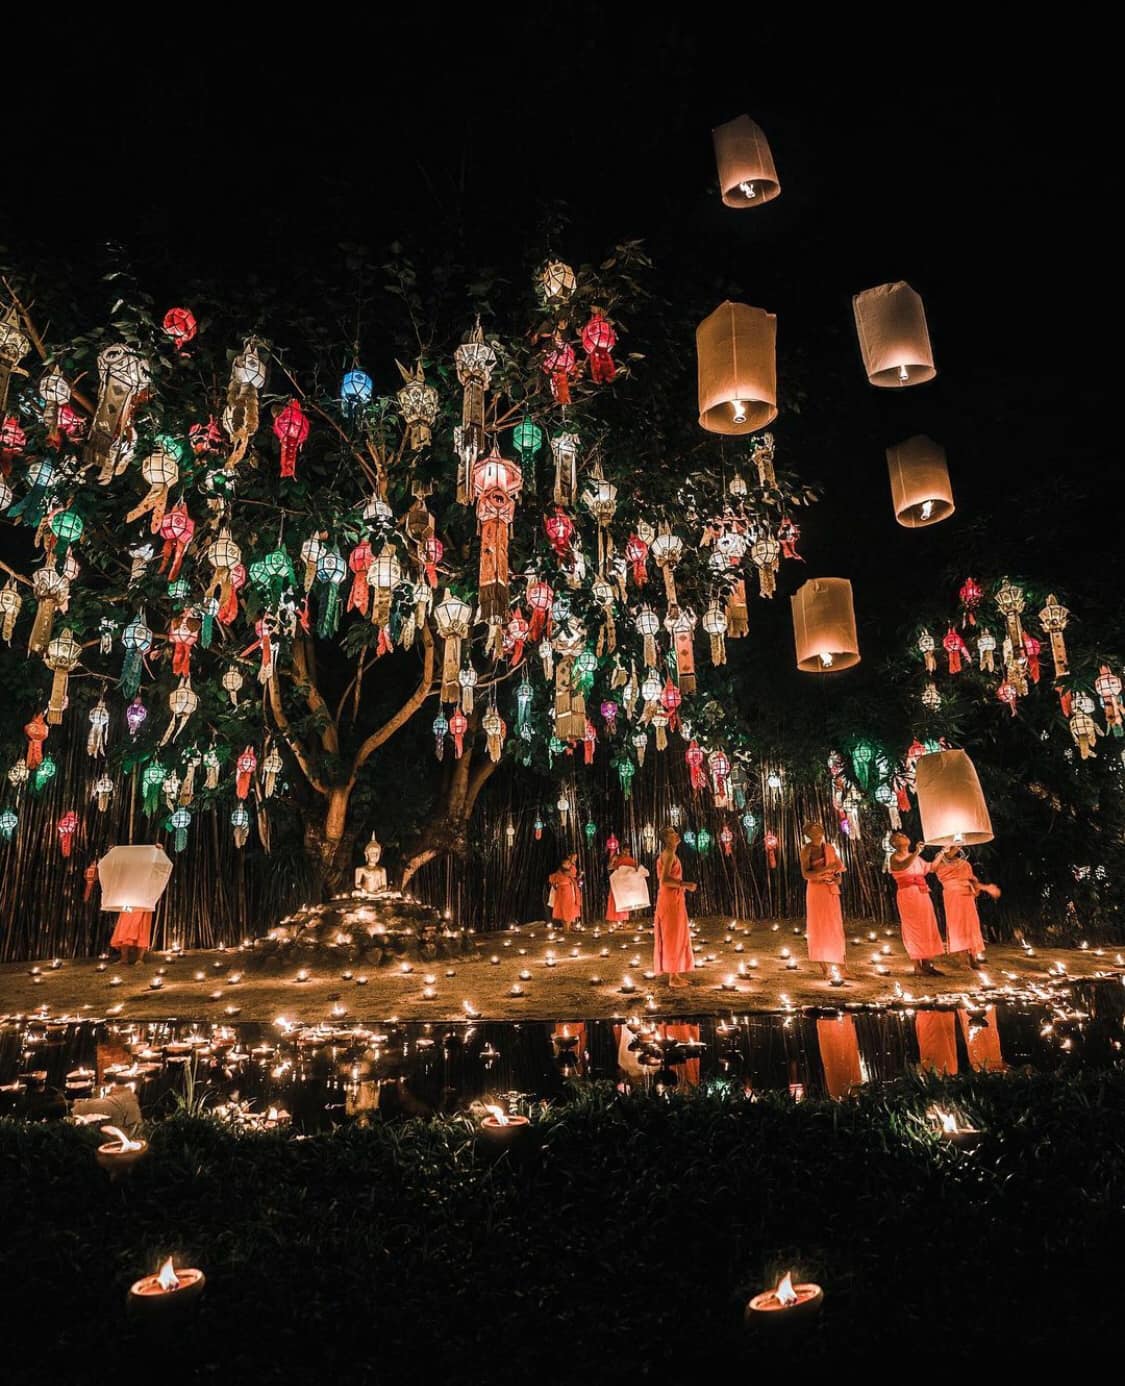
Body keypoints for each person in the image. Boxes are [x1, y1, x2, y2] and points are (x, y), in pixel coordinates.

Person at [887, 832, 945, 976]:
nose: (904, 836)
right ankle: (917, 966)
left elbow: (932, 868)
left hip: (922, 893)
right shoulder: (894, 857)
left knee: (926, 925)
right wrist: (917, 852)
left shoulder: (916, 857)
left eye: (904, 834)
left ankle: (927, 963)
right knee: (913, 927)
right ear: (894, 843)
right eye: (899, 836)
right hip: (908, 895)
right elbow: (902, 866)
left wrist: (942, 853)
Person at [801, 822, 846, 977]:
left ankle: (842, 967)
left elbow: (838, 869)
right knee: (818, 925)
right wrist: (825, 870)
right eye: (813, 827)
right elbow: (806, 874)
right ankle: (824, 967)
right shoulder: (807, 850)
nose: (817, 828)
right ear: (808, 833)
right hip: (816, 890)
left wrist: (837, 878)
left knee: (835, 925)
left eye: (818, 826)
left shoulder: (829, 848)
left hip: (830, 889)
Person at [934, 846, 990, 968]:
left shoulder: (964, 863)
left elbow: (972, 879)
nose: (957, 848)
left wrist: (984, 888)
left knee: (971, 924)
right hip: (953, 895)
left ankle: (973, 957)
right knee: (957, 925)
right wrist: (949, 848)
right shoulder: (939, 860)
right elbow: (934, 868)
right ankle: (963, 959)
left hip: (967, 896)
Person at [653, 828, 695, 988]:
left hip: (673, 898)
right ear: (666, 839)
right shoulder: (669, 855)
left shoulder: (670, 854)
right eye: (672, 833)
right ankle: (672, 977)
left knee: (676, 934)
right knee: (672, 935)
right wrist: (686, 884)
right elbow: (664, 880)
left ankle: (675, 974)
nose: (676, 834)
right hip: (670, 899)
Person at [548, 853, 582, 933]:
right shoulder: (560, 872)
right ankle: (566, 928)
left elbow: (573, 873)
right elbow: (552, 879)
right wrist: (555, 885)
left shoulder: (569, 871)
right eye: (567, 864)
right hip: (562, 893)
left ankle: (567, 927)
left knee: (568, 909)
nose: (568, 865)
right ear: (562, 864)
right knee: (564, 910)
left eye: (569, 864)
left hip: (569, 892)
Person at [605, 844, 638, 926]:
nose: (626, 853)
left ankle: (623, 920)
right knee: (614, 900)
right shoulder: (617, 858)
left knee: (624, 901)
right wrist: (612, 861)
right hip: (617, 882)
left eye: (628, 851)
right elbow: (609, 867)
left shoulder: (630, 860)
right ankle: (614, 920)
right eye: (625, 851)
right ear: (622, 850)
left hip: (625, 884)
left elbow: (635, 870)